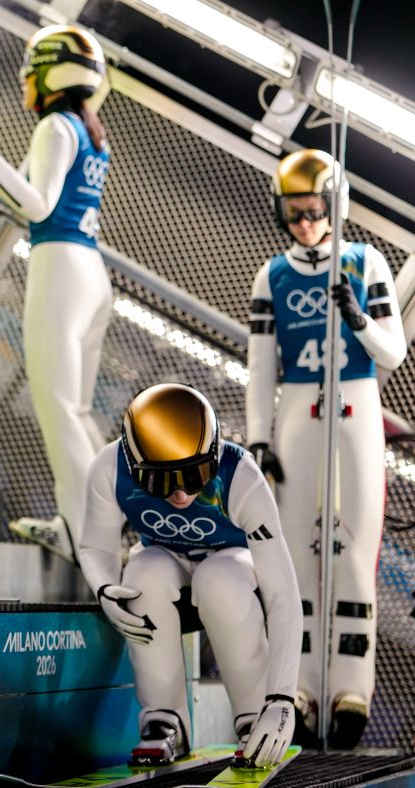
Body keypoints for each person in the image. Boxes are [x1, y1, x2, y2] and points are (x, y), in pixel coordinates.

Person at [245, 149, 407, 748]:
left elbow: (393, 352)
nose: (306, 223)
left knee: (356, 551)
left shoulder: (365, 263)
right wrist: (259, 436)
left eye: (316, 210)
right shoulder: (272, 275)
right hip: (296, 412)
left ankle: (351, 690)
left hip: (357, 408)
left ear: (336, 207)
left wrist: (358, 318)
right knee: (294, 555)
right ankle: (300, 687)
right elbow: (261, 366)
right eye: (295, 211)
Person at [0, 24, 111, 563]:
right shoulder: (89, 130)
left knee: (59, 408)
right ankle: (102, 524)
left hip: (60, 266)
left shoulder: (55, 126)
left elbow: (39, 205)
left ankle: (84, 537)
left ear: (50, 75)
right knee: (77, 411)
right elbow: (28, 196)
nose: (23, 83)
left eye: (29, 73)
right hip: (91, 270)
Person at [79, 384, 302, 767]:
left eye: (195, 474)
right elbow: (95, 547)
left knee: (220, 580)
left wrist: (280, 699)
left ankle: (252, 716)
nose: (181, 495)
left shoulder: (241, 476)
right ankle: (163, 718)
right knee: (142, 575)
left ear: (214, 455)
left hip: (232, 573)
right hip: (163, 568)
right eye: (162, 481)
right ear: (134, 464)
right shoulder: (109, 468)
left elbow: (282, 592)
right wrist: (104, 587)